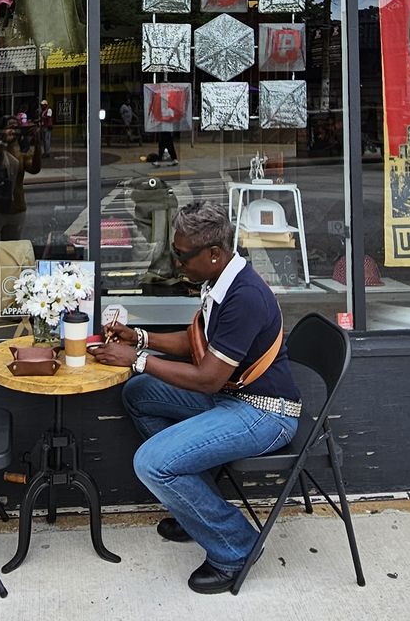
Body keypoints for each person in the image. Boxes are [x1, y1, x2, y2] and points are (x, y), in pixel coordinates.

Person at [91, 202, 301, 594]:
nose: (175, 262)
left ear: (214, 254)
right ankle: (198, 510)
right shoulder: (220, 281)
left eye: (181, 255)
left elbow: (206, 378)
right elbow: (196, 343)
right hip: (233, 396)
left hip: (264, 413)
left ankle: (235, 548)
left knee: (152, 464)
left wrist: (137, 360)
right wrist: (140, 338)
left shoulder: (245, 297)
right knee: (139, 394)